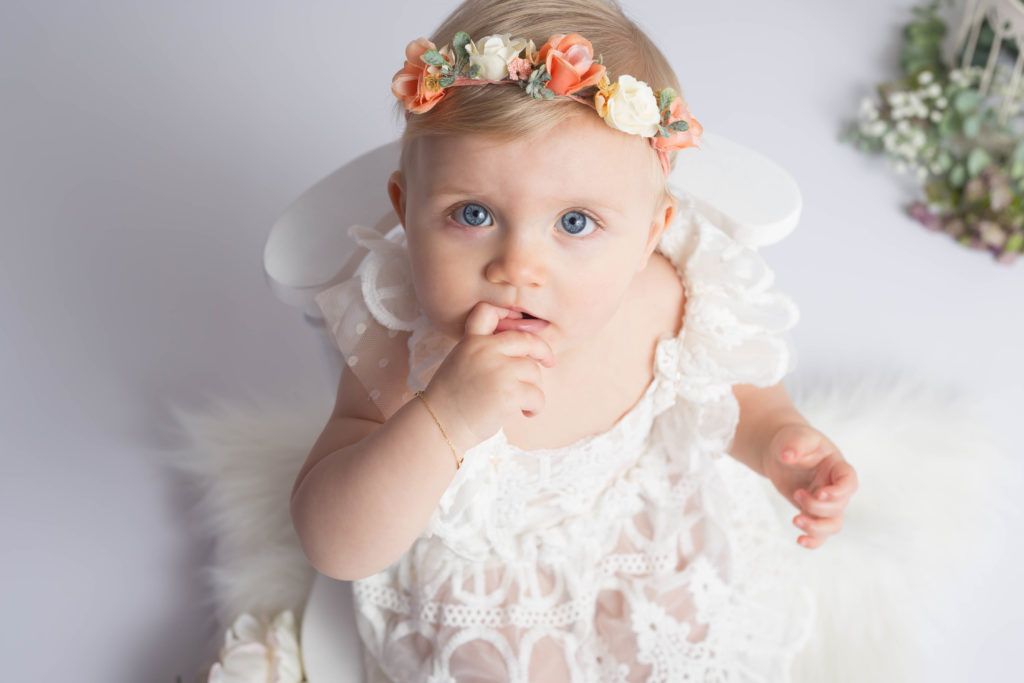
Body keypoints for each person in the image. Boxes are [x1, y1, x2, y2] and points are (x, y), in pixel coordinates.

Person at [290, 1, 859, 680]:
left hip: (644, 530)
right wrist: (442, 420)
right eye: (473, 214)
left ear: (651, 234)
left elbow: (731, 387)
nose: (519, 268)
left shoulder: (665, 293)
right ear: (406, 211)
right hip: (489, 581)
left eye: (576, 222)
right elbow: (335, 544)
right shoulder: (401, 342)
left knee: (694, 630)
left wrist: (775, 439)